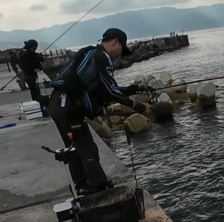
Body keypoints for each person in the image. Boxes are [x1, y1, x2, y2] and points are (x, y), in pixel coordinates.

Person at [49, 28, 150, 194]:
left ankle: (82, 186)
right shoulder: (101, 57)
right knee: (87, 148)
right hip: (69, 109)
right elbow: (111, 91)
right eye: (122, 49)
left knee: (73, 146)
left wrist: (137, 88)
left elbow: (110, 89)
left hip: (59, 105)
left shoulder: (92, 54)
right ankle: (99, 187)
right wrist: (134, 105)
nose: (120, 55)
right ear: (115, 42)